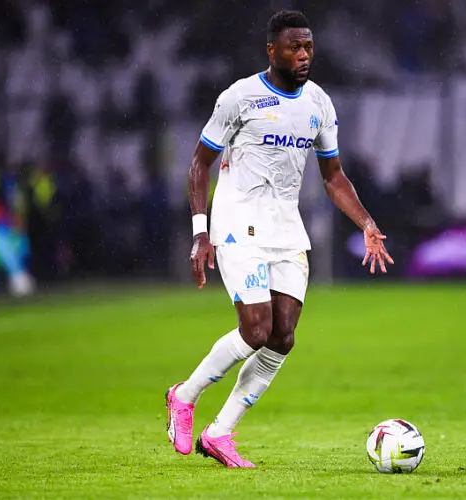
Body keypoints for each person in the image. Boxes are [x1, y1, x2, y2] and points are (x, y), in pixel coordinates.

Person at [165, 11, 394, 468]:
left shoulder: (319, 105)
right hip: (236, 224)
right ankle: (184, 396)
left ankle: (220, 433)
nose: (304, 54)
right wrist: (200, 233)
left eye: (309, 46)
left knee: (282, 336)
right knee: (255, 330)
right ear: (272, 50)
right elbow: (198, 164)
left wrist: (366, 223)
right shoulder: (239, 97)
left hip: (286, 228)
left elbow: (333, 177)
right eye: (294, 47)